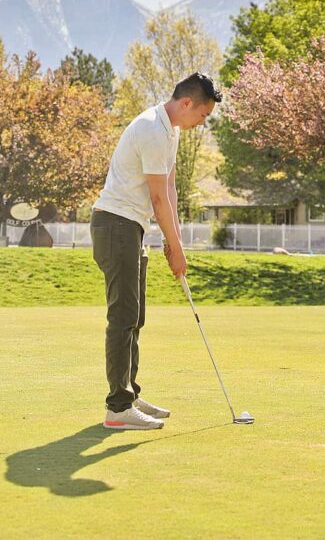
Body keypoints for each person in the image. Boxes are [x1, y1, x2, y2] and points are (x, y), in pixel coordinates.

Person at [90, 71, 222, 430]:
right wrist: (176, 250)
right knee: (123, 316)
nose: (202, 122)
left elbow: (170, 191)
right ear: (186, 103)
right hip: (115, 225)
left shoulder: (171, 132)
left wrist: (173, 241)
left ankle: (128, 393)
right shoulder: (151, 128)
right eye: (203, 115)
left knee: (136, 316)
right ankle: (117, 408)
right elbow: (157, 197)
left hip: (131, 227)